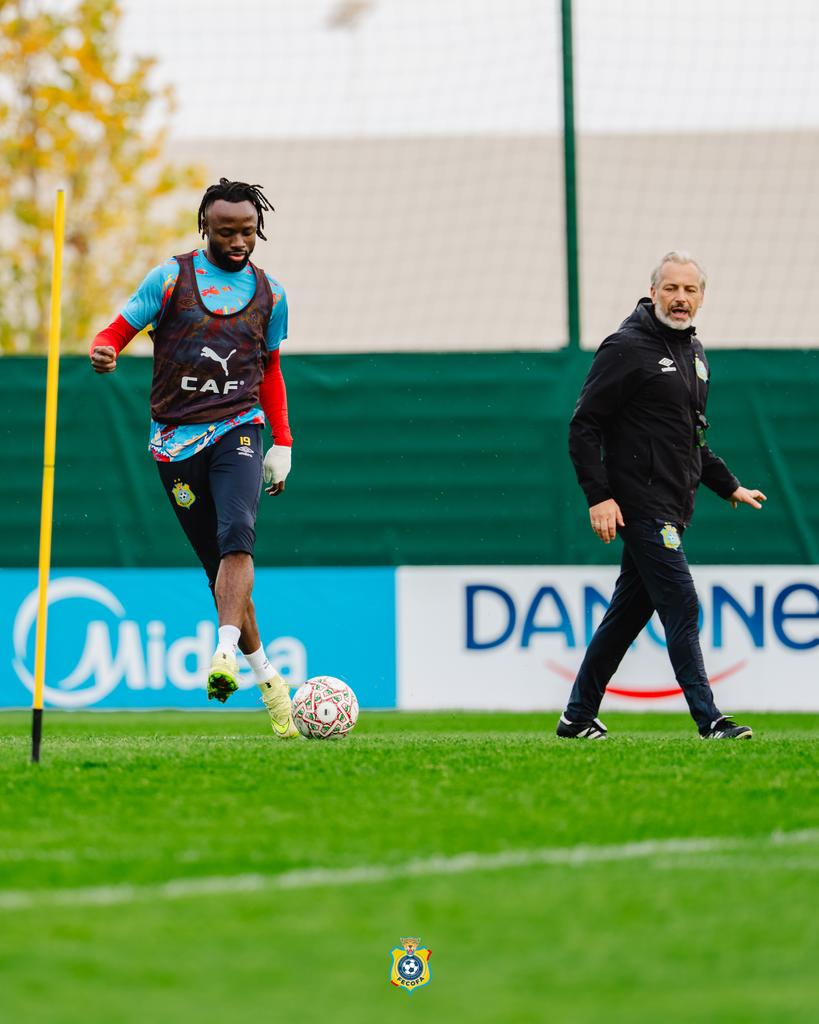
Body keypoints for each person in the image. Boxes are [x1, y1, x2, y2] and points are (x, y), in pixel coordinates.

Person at [89, 177, 298, 739]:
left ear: (259, 229)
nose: (238, 241)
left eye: (248, 231)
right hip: (175, 441)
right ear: (205, 226)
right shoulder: (170, 279)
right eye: (226, 231)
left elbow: (272, 371)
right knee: (219, 568)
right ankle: (270, 683)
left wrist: (282, 442)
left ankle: (223, 652)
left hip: (239, 427)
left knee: (238, 534)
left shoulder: (271, 295)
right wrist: (104, 349)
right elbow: (117, 329)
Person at [560, 251, 767, 740]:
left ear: (702, 297)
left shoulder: (695, 354)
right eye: (671, 288)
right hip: (640, 505)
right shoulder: (625, 347)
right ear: (653, 292)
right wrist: (599, 496)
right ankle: (710, 721)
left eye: (690, 290)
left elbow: (692, 439)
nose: (680, 298)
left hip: (674, 506)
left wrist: (728, 485)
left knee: (626, 617)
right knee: (682, 602)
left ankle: (577, 716)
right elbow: (584, 426)